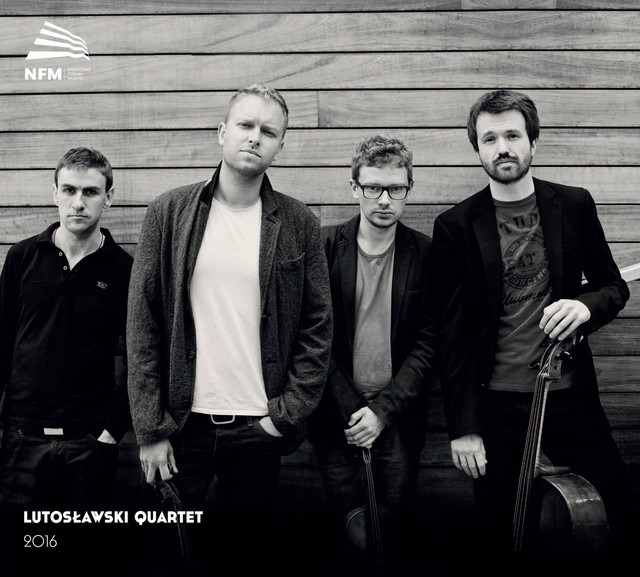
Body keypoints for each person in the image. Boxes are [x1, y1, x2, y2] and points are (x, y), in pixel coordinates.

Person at [126, 84, 333, 576]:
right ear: (222, 132)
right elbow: (142, 323)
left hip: (258, 428)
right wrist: (150, 430)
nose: (255, 137)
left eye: (268, 131)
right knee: (170, 556)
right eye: (245, 125)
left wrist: (284, 416)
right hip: (181, 429)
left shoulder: (299, 222)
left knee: (247, 557)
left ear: (280, 145)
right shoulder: (169, 213)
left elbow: (318, 325)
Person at [431, 89, 635, 563]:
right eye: (489, 139)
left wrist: (586, 308)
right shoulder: (455, 225)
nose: (502, 147)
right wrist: (464, 426)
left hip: (571, 398)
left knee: (617, 516)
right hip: (497, 407)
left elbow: (612, 286)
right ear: (477, 149)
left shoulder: (574, 204)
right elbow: (452, 334)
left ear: (533, 142)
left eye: (512, 135)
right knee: (502, 532)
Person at [0, 147, 133, 576]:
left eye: (90, 192)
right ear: (54, 193)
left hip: (89, 441)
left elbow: (141, 357)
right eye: (69, 190)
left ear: (108, 198)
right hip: (23, 438)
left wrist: (112, 430)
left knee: (84, 559)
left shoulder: (124, 270)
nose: (78, 202)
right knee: (23, 555)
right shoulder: (22, 257)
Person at [308, 135, 435, 570]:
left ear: (408, 189)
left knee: (390, 532)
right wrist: (353, 411)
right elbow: (312, 337)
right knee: (349, 531)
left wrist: (382, 412)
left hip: (399, 416)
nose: (384, 199)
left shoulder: (426, 254)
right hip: (335, 417)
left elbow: (429, 342)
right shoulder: (323, 248)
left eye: (395, 188)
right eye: (373, 187)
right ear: (354, 187)